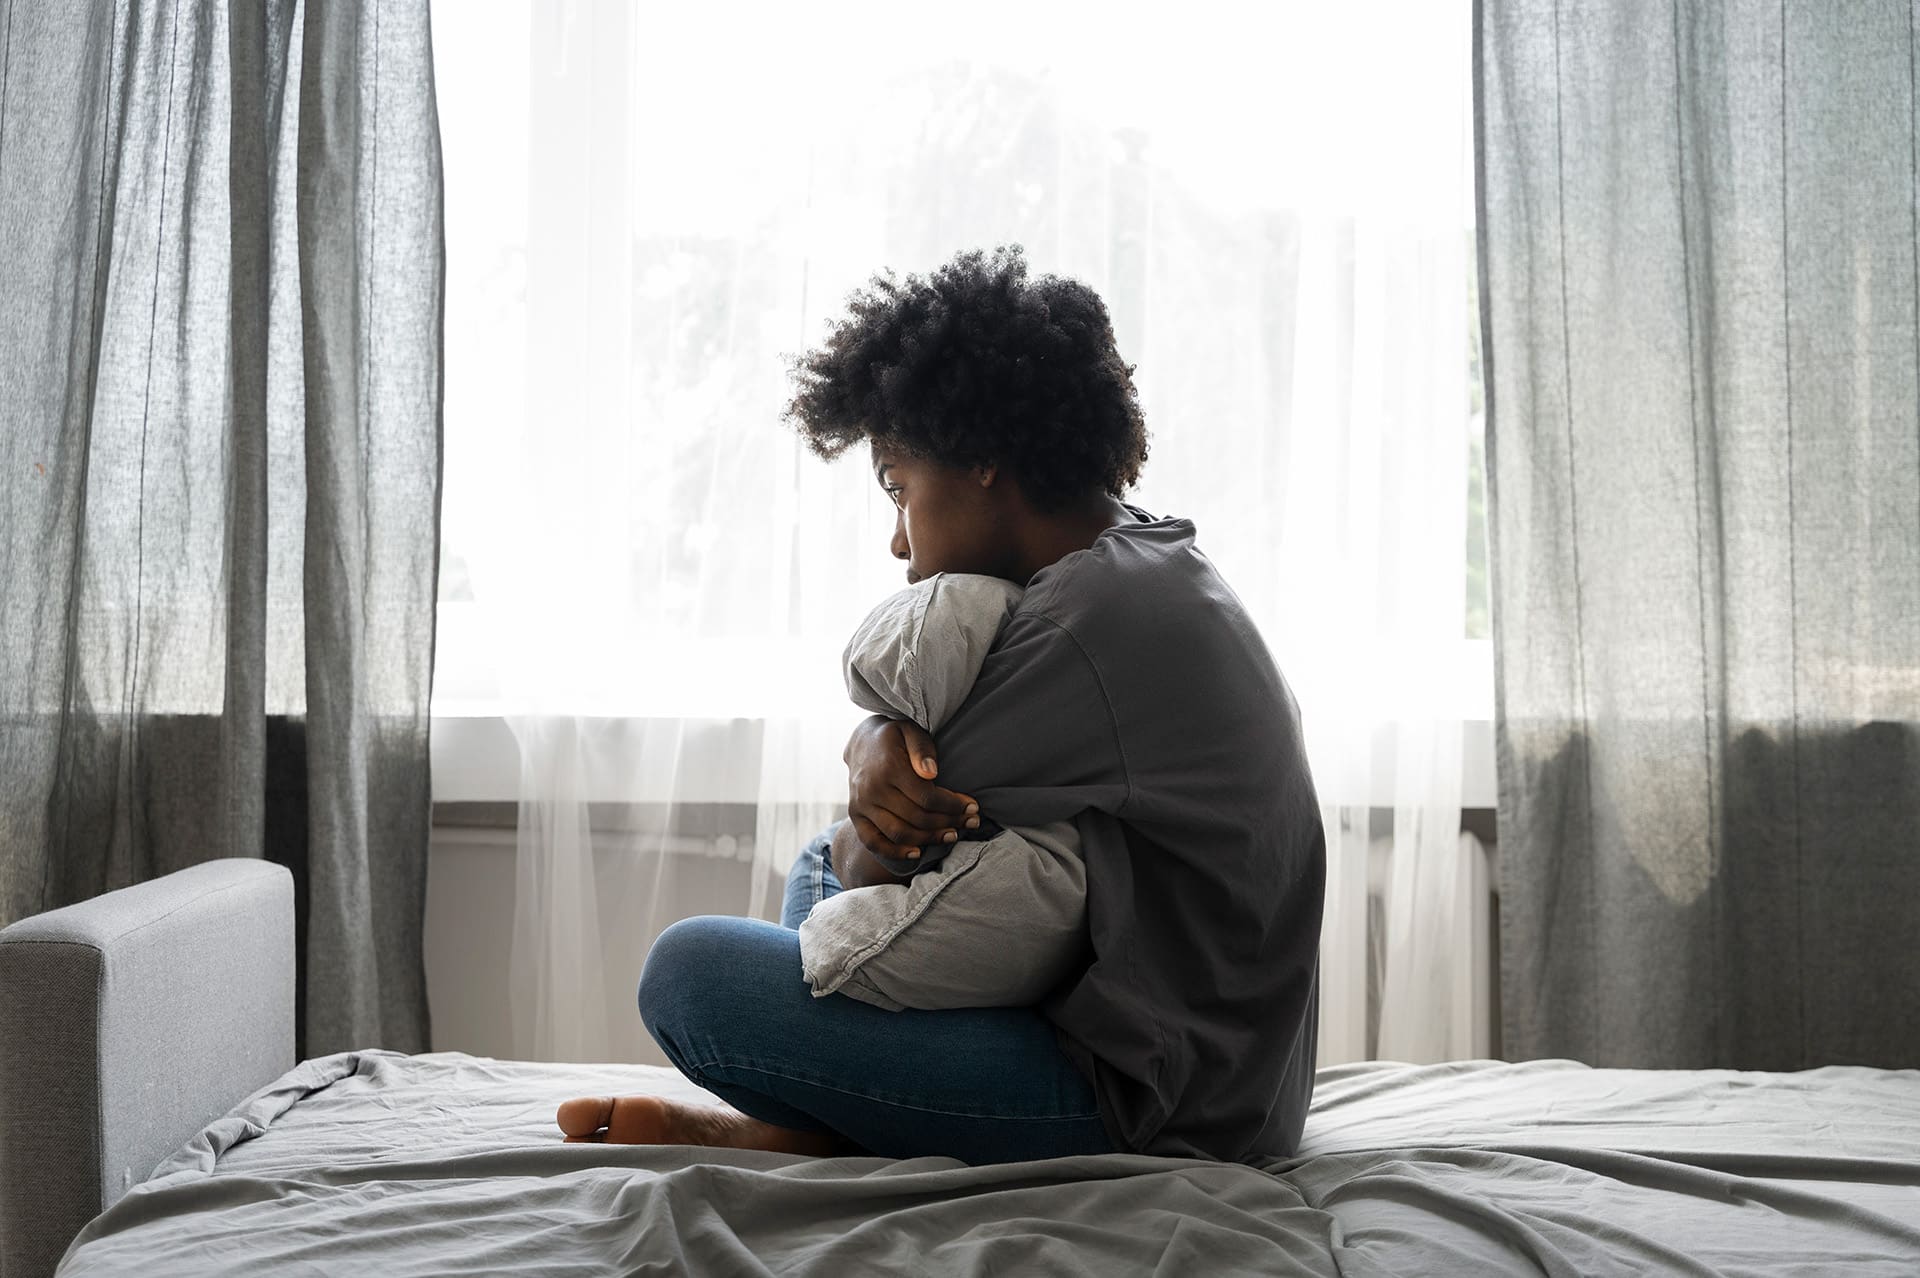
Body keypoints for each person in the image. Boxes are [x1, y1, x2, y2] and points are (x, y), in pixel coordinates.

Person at [556, 245, 1325, 1165]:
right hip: (1220, 1080)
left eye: (899, 488)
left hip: (1149, 1107)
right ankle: (814, 1125)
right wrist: (876, 733)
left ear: (983, 457)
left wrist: (875, 757)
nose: (898, 544)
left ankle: (799, 1129)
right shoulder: (1147, 564)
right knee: (818, 866)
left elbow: (874, 860)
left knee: (691, 974)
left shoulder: (1088, 624)